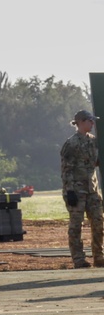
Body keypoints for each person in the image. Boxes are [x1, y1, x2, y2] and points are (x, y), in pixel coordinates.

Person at [61, 109, 104, 268]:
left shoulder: (94, 142)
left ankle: (99, 256)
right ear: (80, 122)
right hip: (76, 191)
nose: (92, 124)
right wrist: (70, 191)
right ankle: (78, 259)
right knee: (76, 225)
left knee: (99, 222)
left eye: (93, 121)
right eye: (89, 121)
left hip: (92, 189)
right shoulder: (71, 144)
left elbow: (97, 162)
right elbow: (66, 169)